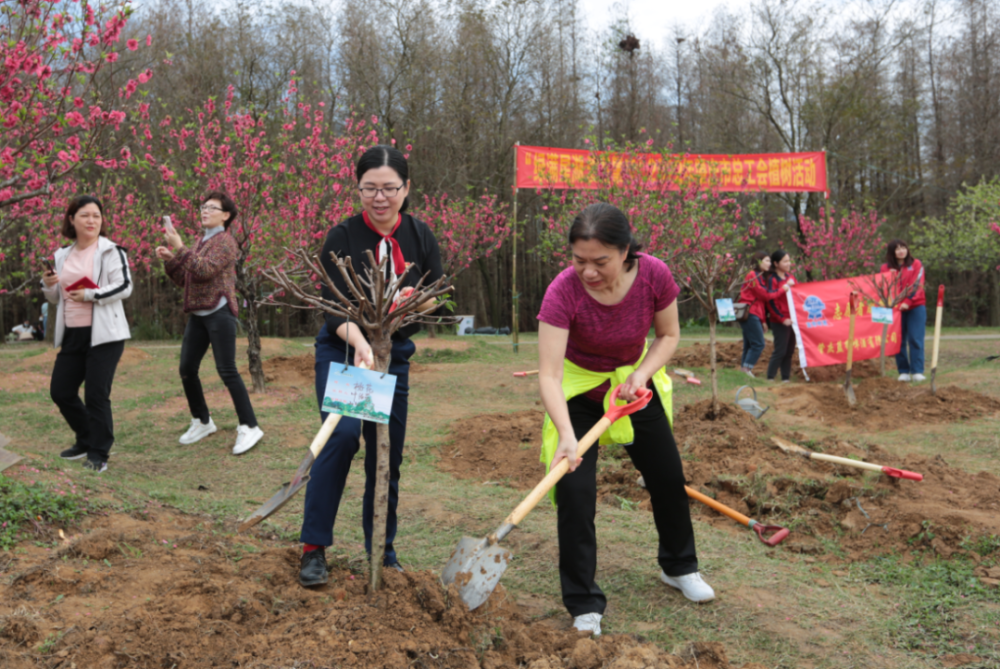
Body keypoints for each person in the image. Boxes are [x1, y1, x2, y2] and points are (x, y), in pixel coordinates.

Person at [536, 203, 714, 638]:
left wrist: (641, 373)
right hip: (577, 392)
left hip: (632, 386)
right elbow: (550, 374)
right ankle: (583, 602)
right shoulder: (563, 291)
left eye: (601, 261)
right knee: (575, 493)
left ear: (626, 251)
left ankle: (678, 566)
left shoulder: (654, 275)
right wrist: (565, 435)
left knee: (667, 476)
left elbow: (668, 334)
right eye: (580, 261)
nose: (589, 272)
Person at [298, 145, 444, 587]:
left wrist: (413, 301)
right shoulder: (341, 237)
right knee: (341, 437)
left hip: (393, 358)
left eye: (389, 188)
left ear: (406, 188)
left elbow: (437, 292)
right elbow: (332, 308)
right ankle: (313, 548)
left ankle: (381, 547)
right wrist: (361, 343)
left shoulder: (420, 236)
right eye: (369, 189)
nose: (379, 198)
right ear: (357, 187)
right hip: (346, 351)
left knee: (386, 453)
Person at [157, 192, 264, 455]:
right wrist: (171, 260)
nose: (204, 211)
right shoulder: (200, 241)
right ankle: (202, 421)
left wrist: (180, 249)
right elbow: (187, 279)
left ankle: (250, 426)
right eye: (203, 207)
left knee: (227, 370)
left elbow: (205, 270)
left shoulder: (226, 242)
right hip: (198, 314)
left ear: (226, 215)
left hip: (219, 311)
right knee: (186, 368)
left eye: (212, 208)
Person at [41, 195, 133, 473]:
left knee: (96, 395)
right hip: (73, 333)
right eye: (85, 215)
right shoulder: (61, 255)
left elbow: (124, 286)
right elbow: (56, 298)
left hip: (105, 334)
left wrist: (91, 294)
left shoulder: (111, 251)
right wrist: (48, 285)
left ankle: (98, 452)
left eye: (96, 215)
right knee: (61, 391)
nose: (91, 220)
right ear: (72, 219)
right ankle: (85, 438)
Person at [737, 251, 791, 377]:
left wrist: (763, 321)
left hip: (755, 313)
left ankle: (744, 372)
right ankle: (747, 369)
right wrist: (782, 289)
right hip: (749, 313)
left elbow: (760, 302)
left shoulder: (760, 276)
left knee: (749, 344)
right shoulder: (752, 275)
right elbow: (765, 295)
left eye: (769, 261)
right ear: (758, 262)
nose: (769, 263)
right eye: (766, 260)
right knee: (759, 343)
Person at [881, 240, 926, 382]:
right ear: (892, 252)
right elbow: (883, 288)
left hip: (915, 306)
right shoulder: (885, 268)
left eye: (903, 248)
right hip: (895, 309)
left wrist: (907, 302)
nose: (901, 251)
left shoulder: (916, 264)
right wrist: (891, 276)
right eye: (897, 249)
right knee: (898, 340)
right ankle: (903, 371)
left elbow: (918, 285)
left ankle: (917, 371)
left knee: (915, 338)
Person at [763, 250, 797, 382]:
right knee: (780, 350)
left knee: (789, 351)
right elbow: (771, 301)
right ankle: (770, 377)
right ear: (776, 263)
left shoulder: (791, 277)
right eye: (785, 261)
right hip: (780, 320)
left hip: (793, 319)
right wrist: (782, 319)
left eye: (789, 260)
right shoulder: (772, 279)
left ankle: (785, 378)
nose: (789, 263)